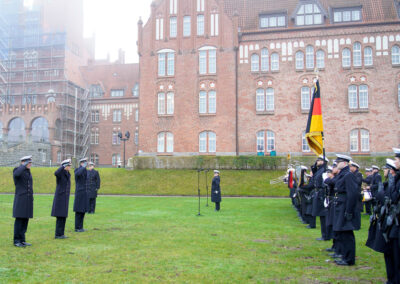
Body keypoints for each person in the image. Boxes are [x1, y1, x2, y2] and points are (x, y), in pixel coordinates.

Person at [332, 154, 361, 266]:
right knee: (342, 232)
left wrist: (349, 211)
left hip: (345, 206)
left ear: (344, 163)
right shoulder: (342, 174)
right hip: (340, 205)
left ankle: (349, 258)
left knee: (347, 233)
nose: (336, 163)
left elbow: (352, 194)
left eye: (338, 161)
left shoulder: (348, 175)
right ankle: (345, 256)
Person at [12, 156, 34, 248]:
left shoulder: (27, 171)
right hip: (21, 199)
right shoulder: (17, 170)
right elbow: (16, 175)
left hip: (28, 199)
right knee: (19, 220)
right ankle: (16, 240)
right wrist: (23, 165)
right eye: (28, 162)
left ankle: (22, 240)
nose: (30, 164)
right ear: (23, 162)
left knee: (25, 220)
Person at [51, 159, 72, 239]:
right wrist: (62, 166)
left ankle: (61, 233)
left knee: (63, 216)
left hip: (65, 198)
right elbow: (56, 173)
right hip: (60, 197)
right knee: (60, 216)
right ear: (64, 166)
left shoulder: (67, 173)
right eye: (68, 165)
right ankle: (57, 234)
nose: (70, 167)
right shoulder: (60, 173)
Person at [311, 155, 329, 240]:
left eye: (318, 160)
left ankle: (326, 235)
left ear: (323, 161)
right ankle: (324, 234)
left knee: (323, 215)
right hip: (318, 192)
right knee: (321, 216)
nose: (317, 162)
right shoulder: (320, 170)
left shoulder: (324, 170)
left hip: (322, 193)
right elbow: (314, 174)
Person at [74, 158, 88, 232]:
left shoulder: (85, 170)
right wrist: (82, 167)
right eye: (85, 163)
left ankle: (81, 227)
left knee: (83, 211)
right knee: (78, 211)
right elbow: (78, 174)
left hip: (84, 193)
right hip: (79, 193)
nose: (86, 164)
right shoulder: (77, 170)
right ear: (81, 163)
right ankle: (77, 227)